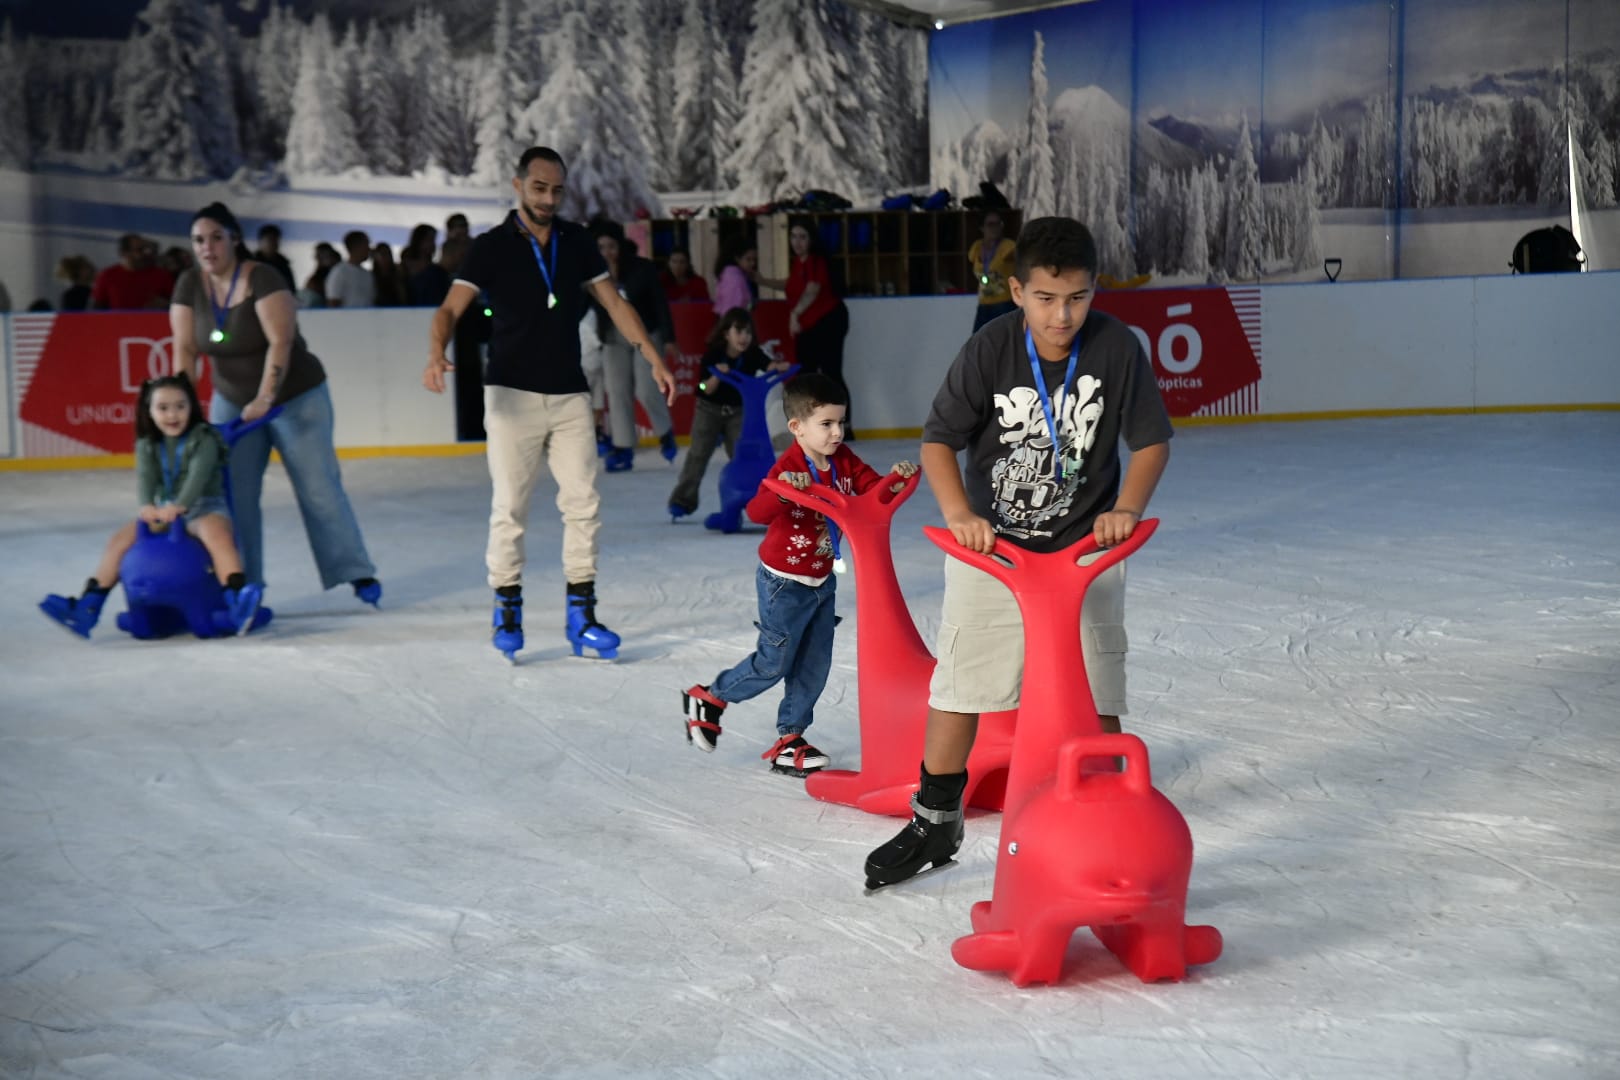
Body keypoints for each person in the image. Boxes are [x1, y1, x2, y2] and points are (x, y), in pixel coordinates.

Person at [862, 217, 1174, 891]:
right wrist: (959, 514)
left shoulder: (1117, 348)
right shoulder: (990, 348)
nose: (1062, 315)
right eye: (1045, 298)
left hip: (1085, 555)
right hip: (995, 554)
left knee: (1098, 687)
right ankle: (935, 818)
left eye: (1078, 298)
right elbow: (938, 442)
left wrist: (1128, 509)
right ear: (1015, 290)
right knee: (961, 684)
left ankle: (1111, 817)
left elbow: (1151, 442)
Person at [423, 146, 676, 662]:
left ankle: (581, 616)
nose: (548, 198)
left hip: (569, 394)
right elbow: (450, 309)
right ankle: (507, 609)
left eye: (557, 190)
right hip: (510, 394)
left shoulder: (577, 242)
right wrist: (434, 352)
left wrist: (651, 354)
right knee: (510, 506)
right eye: (539, 188)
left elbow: (614, 303)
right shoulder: (491, 247)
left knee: (583, 504)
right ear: (518, 186)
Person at [682, 373, 916, 776]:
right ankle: (710, 696)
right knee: (774, 663)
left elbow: (873, 491)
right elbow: (756, 512)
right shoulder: (789, 466)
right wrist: (780, 488)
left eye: (841, 422)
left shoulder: (844, 461)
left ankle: (790, 738)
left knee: (814, 663)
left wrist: (896, 478)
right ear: (797, 428)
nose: (837, 432)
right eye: (826, 424)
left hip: (822, 581)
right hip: (783, 583)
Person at [171, 202, 381, 604]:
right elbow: (184, 349)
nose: (207, 247)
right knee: (235, 493)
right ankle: (245, 583)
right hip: (232, 400)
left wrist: (266, 397)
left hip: (295, 397)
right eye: (199, 240)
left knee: (318, 487)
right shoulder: (189, 285)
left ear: (234, 239)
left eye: (217, 237)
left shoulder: (262, 277)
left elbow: (280, 343)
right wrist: (184, 412)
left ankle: (355, 571)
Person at [38, 374, 262, 638]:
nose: (173, 415)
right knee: (119, 541)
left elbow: (197, 478)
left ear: (192, 406)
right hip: (165, 510)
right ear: (150, 411)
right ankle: (88, 606)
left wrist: (180, 506)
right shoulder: (147, 444)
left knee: (218, 536)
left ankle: (237, 599)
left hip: (204, 506)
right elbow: (146, 479)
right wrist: (146, 506)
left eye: (180, 406)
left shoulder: (205, 438)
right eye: (163, 408)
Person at [667, 307, 789, 519]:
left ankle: (745, 497)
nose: (744, 337)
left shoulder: (753, 354)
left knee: (742, 454)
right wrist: (715, 377)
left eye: (748, 333)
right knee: (698, 454)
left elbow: (768, 365)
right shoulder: (713, 356)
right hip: (709, 410)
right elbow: (702, 389)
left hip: (738, 412)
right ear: (726, 334)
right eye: (739, 331)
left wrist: (778, 366)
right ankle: (682, 500)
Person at [588, 218, 680, 471]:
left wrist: (670, 338)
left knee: (646, 388)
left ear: (621, 246)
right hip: (612, 338)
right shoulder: (595, 275)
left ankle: (665, 433)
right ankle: (623, 447)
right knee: (616, 390)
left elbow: (661, 305)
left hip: (645, 334)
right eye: (602, 247)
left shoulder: (642, 269)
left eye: (611, 246)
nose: (607, 252)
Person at [759, 222, 850, 431]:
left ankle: (843, 423)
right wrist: (762, 281)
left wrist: (795, 313)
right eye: (793, 236)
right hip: (810, 324)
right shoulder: (800, 263)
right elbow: (791, 284)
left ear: (811, 240)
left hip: (828, 320)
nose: (797, 242)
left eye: (802, 237)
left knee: (830, 373)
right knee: (806, 373)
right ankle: (813, 421)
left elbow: (812, 289)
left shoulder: (816, 261)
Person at [91, 233, 174, 310]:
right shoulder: (107, 275)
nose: (145, 253)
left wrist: (166, 305)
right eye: (139, 250)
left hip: (152, 324)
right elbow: (97, 307)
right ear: (124, 253)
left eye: (146, 249)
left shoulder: (161, 276)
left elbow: (178, 305)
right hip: (117, 324)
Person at [969, 210, 1017, 331]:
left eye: (998, 224)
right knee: (978, 343)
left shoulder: (1008, 246)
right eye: (990, 224)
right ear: (982, 228)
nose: (994, 228)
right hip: (984, 304)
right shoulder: (977, 247)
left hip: (1004, 304)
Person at [403, 224, 451, 306]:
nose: (433, 244)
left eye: (433, 240)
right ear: (419, 241)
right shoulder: (404, 268)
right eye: (429, 240)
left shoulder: (438, 272)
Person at [325, 230, 375, 308]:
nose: (369, 249)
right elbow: (333, 302)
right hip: (348, 319)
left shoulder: (367, 274)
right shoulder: (340, 272)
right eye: (366, 245)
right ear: (356, 247)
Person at [711, 239, 757, 314]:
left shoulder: (732, 274)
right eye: (748, 259)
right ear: (737, 258)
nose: (753, 263)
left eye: (754, 259)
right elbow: (733, 309)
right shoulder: (734, 278)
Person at [297, 242, 341, 308]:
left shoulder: (337, 271)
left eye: (322, 255)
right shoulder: (318, 274)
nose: (317, 258)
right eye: (318, 255)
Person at [255, 224, 297, 290]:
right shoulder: (252, 263)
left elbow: (291, 288)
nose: (273, 243)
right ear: (260, 242)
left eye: (276, 240)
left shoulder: (283, 264)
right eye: (270, 240)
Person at [371, 242, 406, 307]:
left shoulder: (398, 275)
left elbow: (403, 298)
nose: (386, 258)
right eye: (383, 254)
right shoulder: (371, 277)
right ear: (375, 257)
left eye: (388, 254)